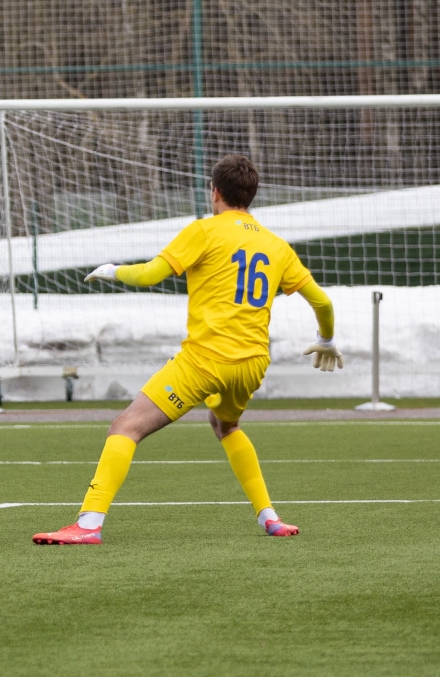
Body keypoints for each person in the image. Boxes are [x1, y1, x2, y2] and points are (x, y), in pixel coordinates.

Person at [33, 154, 343, 545]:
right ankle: (270, 518)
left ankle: (88, 524)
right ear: (252, 195)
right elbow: (323, 304)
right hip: (251, 365)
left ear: (214, 192)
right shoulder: (276, 246)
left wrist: (111, 269)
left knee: (125, 427)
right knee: (226, 425)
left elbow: (148, 274)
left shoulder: (204, 231)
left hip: (206, 361)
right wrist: (327, 340)